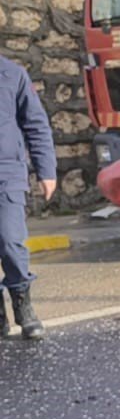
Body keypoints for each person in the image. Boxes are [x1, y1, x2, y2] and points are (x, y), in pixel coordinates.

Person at [0, 54, 55, 340]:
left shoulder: (12, 74)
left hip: (6, 173)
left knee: (10, 241)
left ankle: (23, 306)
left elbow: (36, 124)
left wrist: (47, 171)